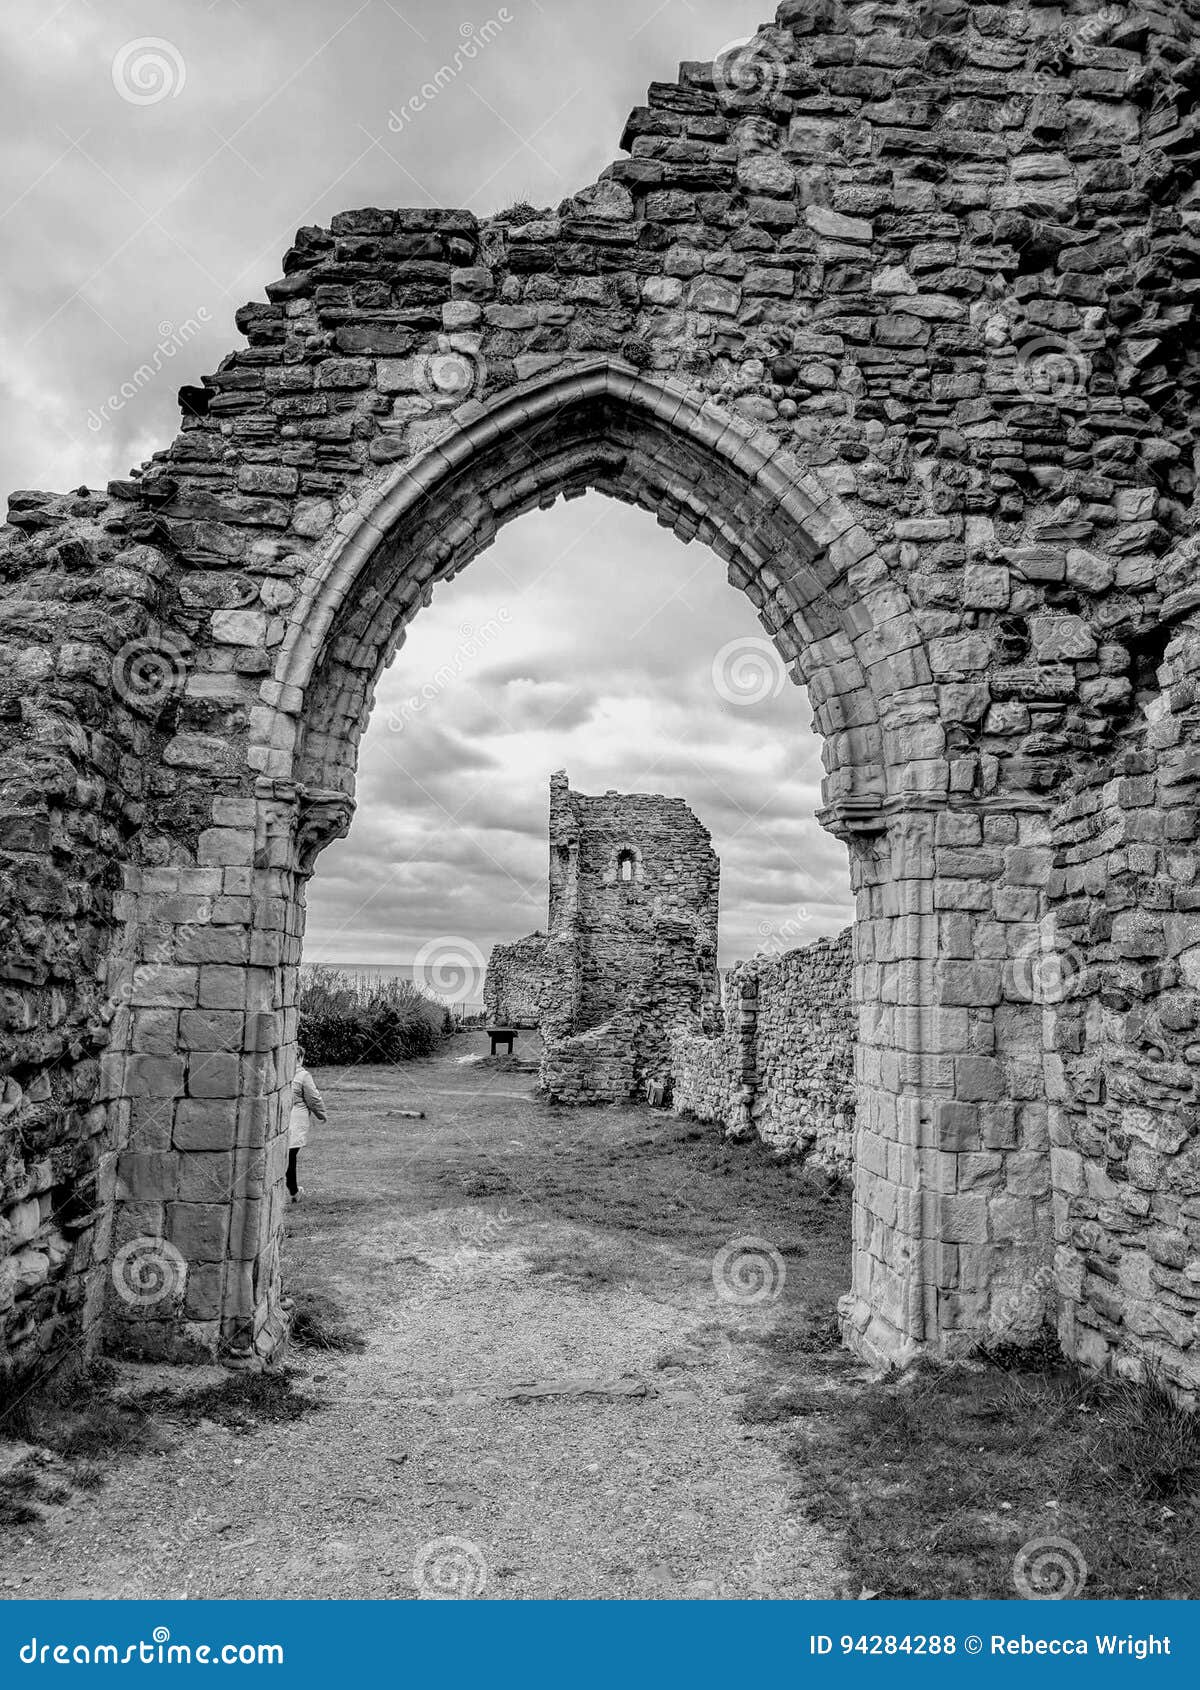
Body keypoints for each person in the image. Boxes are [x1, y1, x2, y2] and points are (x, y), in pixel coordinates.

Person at [288, 1045, 327, 1203]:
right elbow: (313, 1098)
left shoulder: (282, 1074)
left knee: (288, 1155)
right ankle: (293, 1191)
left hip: (285, 1116)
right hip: (296, 1119)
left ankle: (292, 1189)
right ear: (300, 1057)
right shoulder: (303, 1076)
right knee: (290, 1155)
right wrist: (321, 1114)